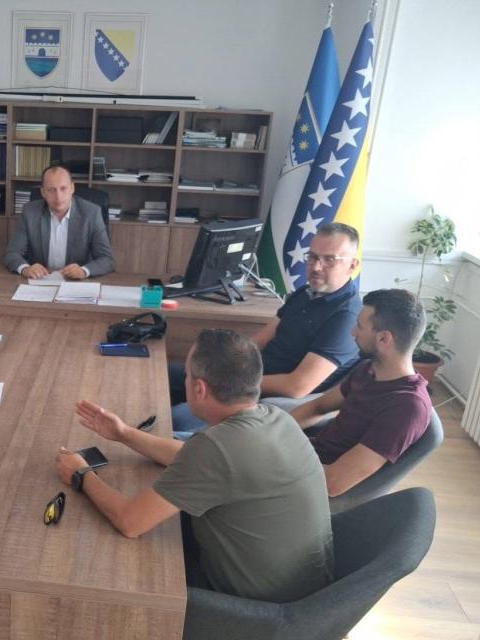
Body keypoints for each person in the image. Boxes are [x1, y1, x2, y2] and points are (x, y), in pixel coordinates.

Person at [57, 329, 333, 603]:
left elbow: (130, 522)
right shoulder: (276, 418)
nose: (186, 380)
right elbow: (191, 456)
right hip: (306, 594)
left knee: (115, 568)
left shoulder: (217, 447)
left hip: (251, 608)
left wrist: (81, 473)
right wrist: (124, 433)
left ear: (199, 388)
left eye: (187, 375)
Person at [170, 222, 362, 435]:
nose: (316, 267)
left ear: (352, 265)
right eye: (313, 257)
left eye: (329, 260)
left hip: (264, 401)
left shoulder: (346, 317)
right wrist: (216, 366)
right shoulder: (305, 293)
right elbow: (257, 342)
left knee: (178, 418)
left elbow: (297, 386)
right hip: (249, 380)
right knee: (170, 375)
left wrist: (231, 382)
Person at [291, 289, 432, 497]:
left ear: (384, 338)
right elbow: (318, 407)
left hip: (308, 486)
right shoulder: (369, 370)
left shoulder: (407, 408)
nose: (352, 332)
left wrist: (280, 455)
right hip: (305, 457)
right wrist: (274, 430)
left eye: (359, 326)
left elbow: (333, 483)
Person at [3, 165, 115, 279]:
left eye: (63, 188)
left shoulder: (91, 213)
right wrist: (26, 269)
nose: (58, 197)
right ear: (43, 192)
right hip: (41, 280)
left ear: (72, 188)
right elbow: (12, 253)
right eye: (51, 190)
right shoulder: (30, 212)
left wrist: (84, 271)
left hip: (77, 283)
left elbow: (107, 259)